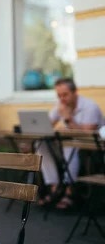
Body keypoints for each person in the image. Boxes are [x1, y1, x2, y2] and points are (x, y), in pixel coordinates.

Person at [36, 77, 102, 210]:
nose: (62, 99)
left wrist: (68, 119)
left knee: (69, 144)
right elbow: (46, 126)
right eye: (59, 95)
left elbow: (88, 135)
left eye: (65, 95)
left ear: (74, 92)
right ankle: (54, 187)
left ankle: (70, 191)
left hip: (91, 149)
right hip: (68, 147)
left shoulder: (90, 106)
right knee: (40, 144)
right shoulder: (60, 106)